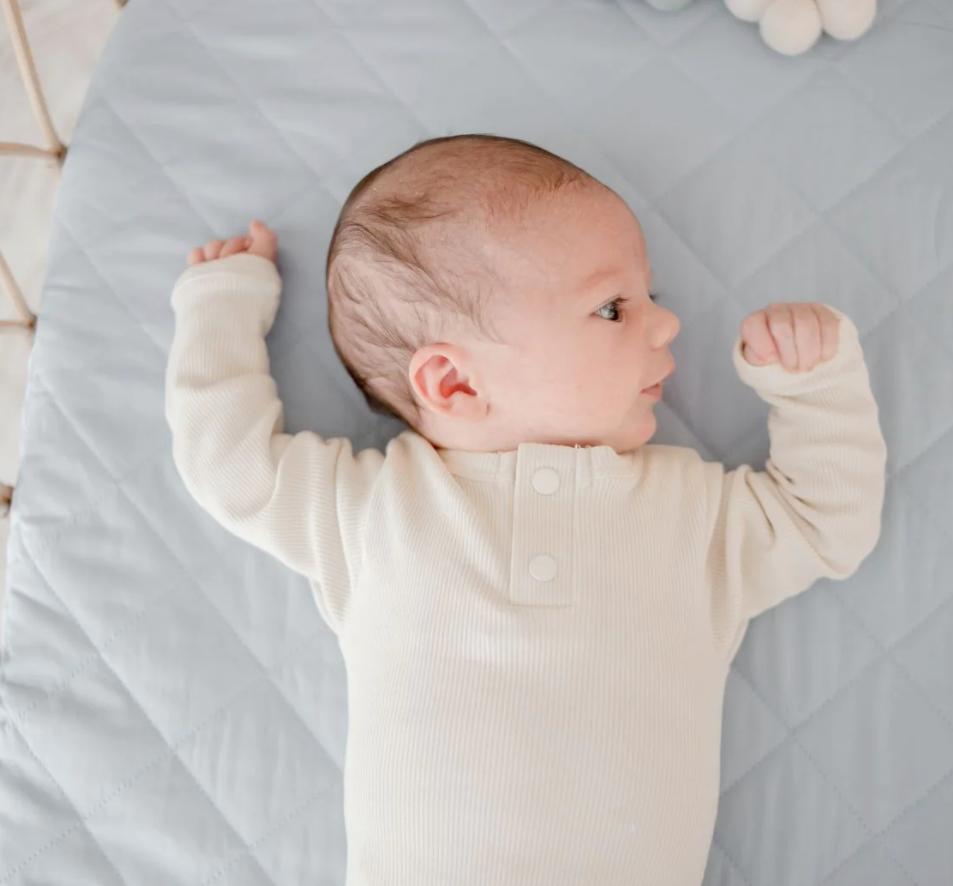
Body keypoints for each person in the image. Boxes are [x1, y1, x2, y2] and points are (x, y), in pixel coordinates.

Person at [166, 134, 886, 885]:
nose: (666, 325)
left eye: (652, 298)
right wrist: (221, 309)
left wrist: (816, 389)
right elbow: (232, 467)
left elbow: (824, 523)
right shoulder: (375, 510)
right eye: (612, 308)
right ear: (455, 384)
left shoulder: (691, 512)